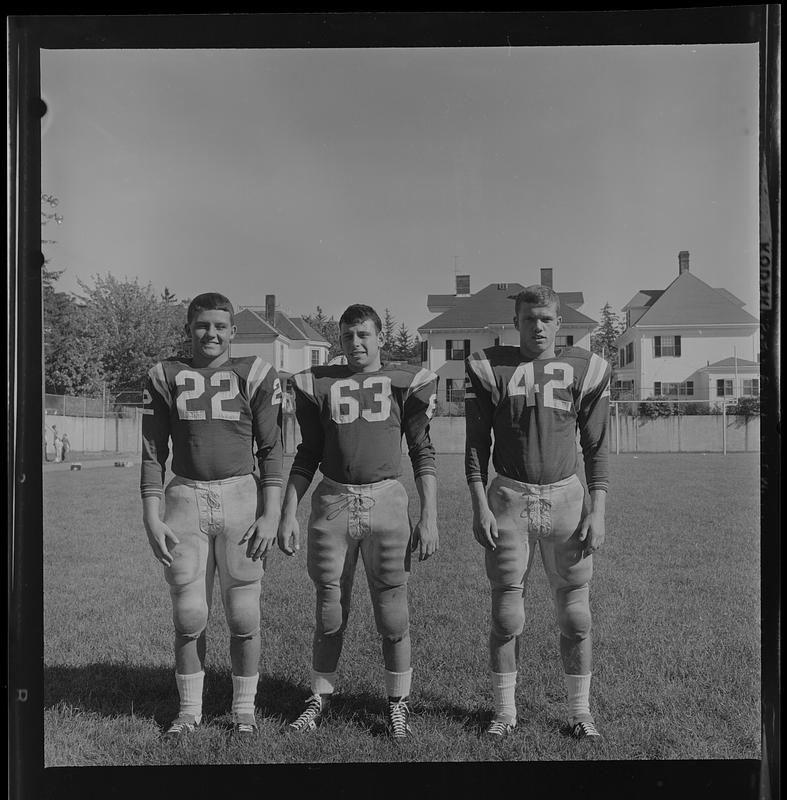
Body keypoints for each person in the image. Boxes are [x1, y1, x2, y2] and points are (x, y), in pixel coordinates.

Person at [277, 303, 438, 739]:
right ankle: (318, 698)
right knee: (329, 610)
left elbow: (422, 450)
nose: (356, 344)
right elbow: (308, 452)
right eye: (347, 336)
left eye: (363, 334)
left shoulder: (405, 382)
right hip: (333, 501)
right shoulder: (318, 384)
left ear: (379, 336)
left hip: (386, 500)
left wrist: (430, 515)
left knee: (393, 614)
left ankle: (398, 702)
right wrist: (288, 510)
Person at [464, 284, 610, 740]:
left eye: (547, 318)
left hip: (567, 497)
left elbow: (597, 445)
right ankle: (504, 713)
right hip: (508, 497)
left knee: (576, 616)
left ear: (560, 323)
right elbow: (475, 445)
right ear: (517, 322)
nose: (538, 326)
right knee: (507, 614)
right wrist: (478, 505)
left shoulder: (583, 368)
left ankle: (580, 712)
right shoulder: (491, 367)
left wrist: (598, 508)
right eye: (530, 319)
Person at [140, 292, 283, 740]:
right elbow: (151, 452)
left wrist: (272, 513)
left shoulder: (254, 373)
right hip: (184, 497)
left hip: (241, 496)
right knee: (188, 612)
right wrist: (150, 513)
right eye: (203, 325)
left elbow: (273, 449)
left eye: (221, 325)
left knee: (243, 613)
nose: (212, 333)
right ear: (188, 328)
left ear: (233, 332)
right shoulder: (166, 375)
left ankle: (243, 709)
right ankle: (189, 710)